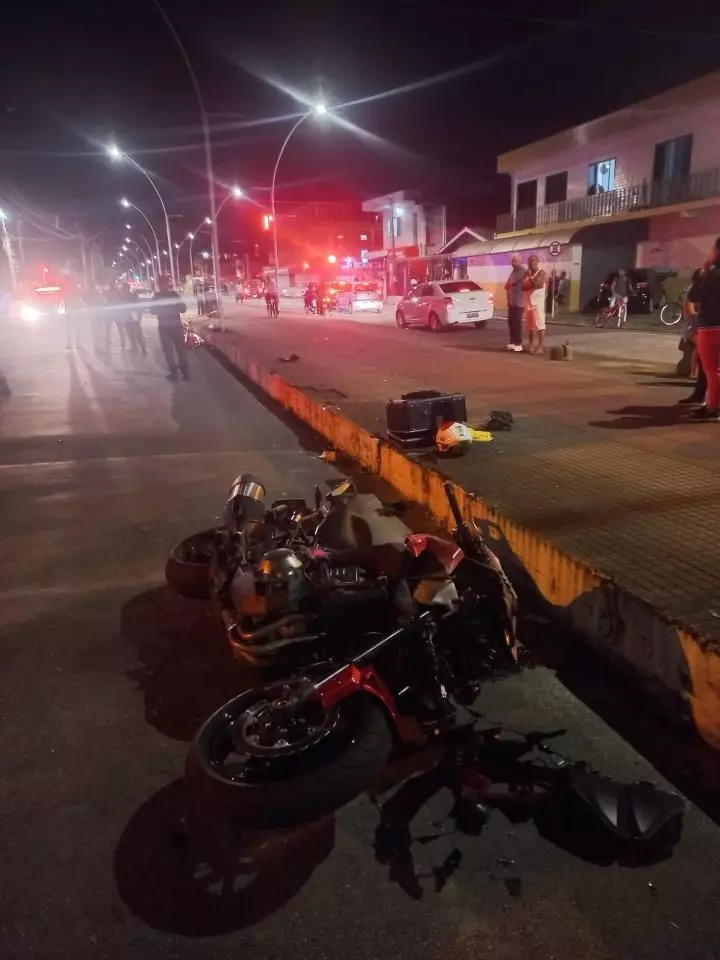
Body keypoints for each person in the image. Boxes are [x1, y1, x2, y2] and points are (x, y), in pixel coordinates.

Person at [686, 244, 720, 421]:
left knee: (712, 371)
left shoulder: (712, 275)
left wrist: (704, 271)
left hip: (711, 328)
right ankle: (711, 404)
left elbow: (693, 296)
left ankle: (713, 407)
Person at [150, 274, 189, 381]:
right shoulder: (174, 295)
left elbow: (152, 311)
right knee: (180, 350)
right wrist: (173, 308)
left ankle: (175, 372)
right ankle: (184, 373)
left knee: (169, 352)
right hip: (175, 326)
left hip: (165, 328)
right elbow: (183, 308)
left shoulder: (157, 297)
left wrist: (163, 311)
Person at [678, 269, 706, 406]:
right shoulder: (692, 292)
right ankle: (693, 373)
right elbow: (689, 312)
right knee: (701, 347)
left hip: (706, 327)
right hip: (694, 327)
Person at [522, 255, 547, 354]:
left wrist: (529, 278)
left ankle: (540, 347)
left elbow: (538, 285)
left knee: (540, 325)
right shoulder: (526, 273)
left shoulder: (541, 273)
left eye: (533, 261)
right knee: (531, 326)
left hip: (539, 304)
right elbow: (523, 287)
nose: (531, 263)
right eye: (529, 261)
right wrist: (528, 280)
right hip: (529, 303)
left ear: (537, 262)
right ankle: (531, 345)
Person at [115, 282, 146, 354]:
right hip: (127, 317)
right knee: (130, 333)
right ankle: (134, 346)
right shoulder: (122, 296)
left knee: (138, 333)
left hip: (133, 317)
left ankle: (143, 347)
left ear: (128, 288)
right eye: (124, 288)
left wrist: (139, 316)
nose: (125, 289)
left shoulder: (133, 296)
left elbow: (138, 306)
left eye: (126, 287)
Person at [503, 253, 525, 352]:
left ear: (520, 261)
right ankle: (512, 342)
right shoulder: (514, 271)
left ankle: (518, 343)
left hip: (519, 301)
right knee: (511, 322)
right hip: (512, 301)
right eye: (513, 261)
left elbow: (509, 283)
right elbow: (508, 285)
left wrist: (508, 285)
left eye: (516, 260)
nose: (514, 262)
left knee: (517, 322)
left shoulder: (521, 271)